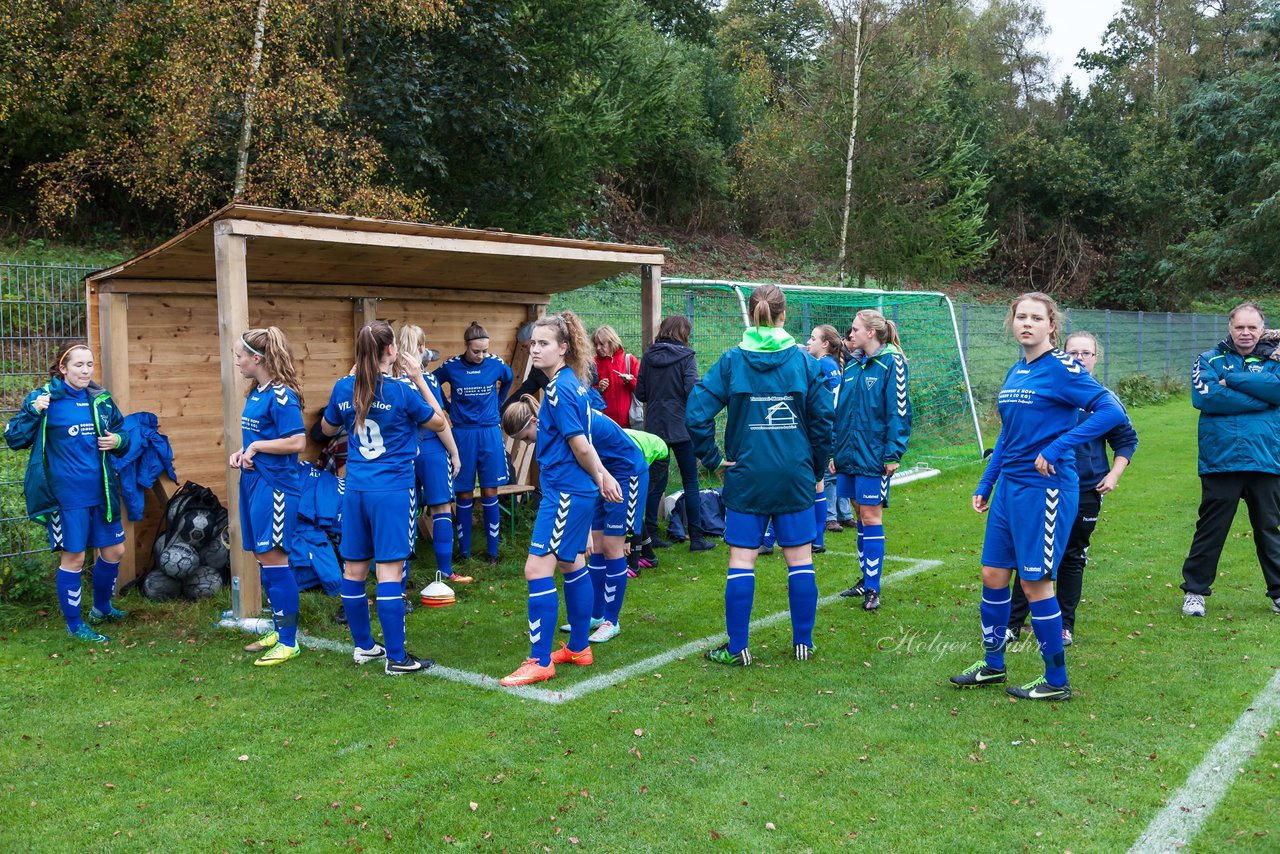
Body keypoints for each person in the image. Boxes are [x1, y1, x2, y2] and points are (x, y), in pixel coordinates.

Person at [949, 293, 1126, 701]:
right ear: (1012, 323)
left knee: (1035, 583)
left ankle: (1056, 681)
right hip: (1010, 488)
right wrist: (986, 483)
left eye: (1036, 318)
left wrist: (1059, 446)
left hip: (1045, 491)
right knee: (993, 575)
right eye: (1020, 317)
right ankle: (993, 665)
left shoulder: (1063, 368)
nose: (1027, 323)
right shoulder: (1018, 369)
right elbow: (1008, 436)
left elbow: (1111, 411)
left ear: (1052, 326)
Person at [686, 284, 834, 665]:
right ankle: (804, 643)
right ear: (783, 316)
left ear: (750, 315)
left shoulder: (733, 360)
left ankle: (738, 649)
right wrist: (814, 469)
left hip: (747, 475)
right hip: (793, 475)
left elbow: (697, 413)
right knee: (800, 560)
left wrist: (714, 460)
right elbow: (823, 423)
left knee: (741, 560)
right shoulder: (804, 362)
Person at [498, 311, 621, 686]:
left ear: (564, 348)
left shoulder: (559, 389)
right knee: (571, 563)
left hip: (567, 492)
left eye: (544, 343)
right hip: (570, 490)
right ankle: (579, 647)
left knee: (536, 570)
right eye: (533, 343)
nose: (535, 349)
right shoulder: (568, 384)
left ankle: (539, 660)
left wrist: (601, 475)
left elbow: (581, 445)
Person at [320, 320, 449, 675]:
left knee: (355, 568)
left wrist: (349, 391)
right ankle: (397, 657)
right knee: (389, 571)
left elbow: (327, 429)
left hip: (356, 489)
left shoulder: (343, 387)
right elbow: (439, 422)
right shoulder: (401, 390)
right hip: (392, 490)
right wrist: (420, 378)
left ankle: (364, 647)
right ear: (391, 351)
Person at [1007, 331, 1138, 644]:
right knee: (1030, 553)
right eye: (1073, 353)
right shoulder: (1049, 390)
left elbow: (1127, 440)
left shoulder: (1102, 401)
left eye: (1086, 353)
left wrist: (1115, 474)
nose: (1080, 358)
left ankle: (1065, 625)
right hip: (1042, 486)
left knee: (1071, 556)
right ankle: (1013, 623)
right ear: (1062, 356)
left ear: (1096, 358)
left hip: (1085, 490)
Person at [5, 342, 131, 642]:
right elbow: (13, 438)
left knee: (115, 551)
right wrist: (32, 413)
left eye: (89, 365)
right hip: (66, 497)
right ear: (63, 368)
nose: (86, 371)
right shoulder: (43, 398)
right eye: (79, 365)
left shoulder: (99, 400)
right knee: (73, 558)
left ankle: (101, 609)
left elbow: (123, 434)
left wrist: (117, 441)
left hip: (102, 491)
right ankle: (75, 625)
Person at [1179, 302, 1280, 617]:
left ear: (1262, 329)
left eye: (1252, 327)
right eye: (1240, 327)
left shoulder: (1275, 359)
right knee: (1211, 529)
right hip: (1221, 459)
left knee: (1269, 529)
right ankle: (1195, 592)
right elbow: (1205, 396)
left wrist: (1233, 380)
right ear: (1230, 328)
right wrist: (1262, 399)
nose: (1246, 333)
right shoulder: (1208, 359)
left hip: (1266, 458)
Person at [229, 327, 309, 665]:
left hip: (276, 488)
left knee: (276, 560)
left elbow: (297, 442)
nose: (238, 363)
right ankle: (278, 629)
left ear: (257, 358)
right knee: (264, 558)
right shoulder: (256, 393)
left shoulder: (281, 396)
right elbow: (258, 439)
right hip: (253, 482)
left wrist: (257, 447)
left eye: (240, 357)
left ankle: (289, 641)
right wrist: (242, 452)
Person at [833, 310, 911, 612]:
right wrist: (834, 452)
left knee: (870, 516)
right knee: (858, 512)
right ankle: (866, 579)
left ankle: (873, 588)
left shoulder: (892, 363)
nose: (849, 335)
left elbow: (899, 410)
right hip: (848, 455)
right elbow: (840, 414)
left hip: (874, 455)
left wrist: (893, 452)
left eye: (854, 330)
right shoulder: (852, 367)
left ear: (871, 333)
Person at [434, 322, 513, 565]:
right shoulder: (451, 366)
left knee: (490, 490)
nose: (481, 355)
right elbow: (433, 383)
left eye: (484, 351)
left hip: (489, 431)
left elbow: (508, 379)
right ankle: (464, 553)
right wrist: (447, 408)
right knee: (464, 492)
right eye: (476, 351)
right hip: (463, 434)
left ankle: (493, 553)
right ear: (466, 347)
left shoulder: (496, 364)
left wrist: (498, 405)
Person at [394, 325, 466, 591]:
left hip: (403, 451)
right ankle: (445, 572)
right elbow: (440, 422)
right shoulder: (428, 379)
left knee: (404, 512)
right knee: (441, 508)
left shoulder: (389, 381)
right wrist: (455, 453)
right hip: (432, 449)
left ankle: (398, 579)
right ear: (422, 348)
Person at [634, 315, 714, 552]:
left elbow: (641, 393)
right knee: (691, 480)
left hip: (655, 428)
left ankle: (650, 534)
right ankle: (697, 538)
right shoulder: (687, 357)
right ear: (684, 333)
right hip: (682, 427)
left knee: (654, 480)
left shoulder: (648, 356)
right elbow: (692, 390)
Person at [580, 416, 651, 643]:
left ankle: (612, 621)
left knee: (613, 546)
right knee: (598, 544)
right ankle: (596, 615)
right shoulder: (570, 412)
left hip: (626, 474)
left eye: (528, 438)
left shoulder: (572, 416)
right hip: (604, 475)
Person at [806, 324, 846, 552]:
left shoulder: (822, 364)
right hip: (829, 430)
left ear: (826, 344)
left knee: (813, 484)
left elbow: (829, 404)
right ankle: (817, 540)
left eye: (813, 338)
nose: (808, 342)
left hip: (823, 432)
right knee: (818, 484)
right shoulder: (830, 364)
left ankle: (771, 537)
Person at [593, 325, 639, 428]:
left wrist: (630, 381)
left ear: (611, 342)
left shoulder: (629, 360)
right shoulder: (593, 364)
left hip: (629, 422)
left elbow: (642, 389)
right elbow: (584, 391)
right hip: (603, 424)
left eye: (601, 344)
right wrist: (598, 389)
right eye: (596, 344)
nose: (598, 348)